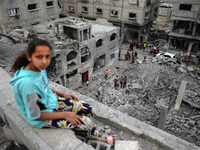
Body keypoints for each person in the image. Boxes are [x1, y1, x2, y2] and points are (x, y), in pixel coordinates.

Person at [9, 38, 117, 146]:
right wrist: (65, 114)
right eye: (39, 57)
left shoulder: (38, 69)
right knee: (87, 123)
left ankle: (83, 127)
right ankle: (97, 138)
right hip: (41, 118)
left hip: (50, 102)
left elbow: (44, 87)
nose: (45, 61)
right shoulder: (27, 84)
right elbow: (35, 115)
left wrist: (62, 94)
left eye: (47, 56)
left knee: (86, 107)